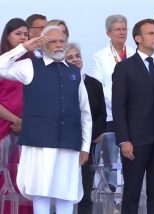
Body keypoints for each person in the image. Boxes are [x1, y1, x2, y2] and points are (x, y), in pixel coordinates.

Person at [0, 26, 92, 214]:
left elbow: (85, 112)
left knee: (66, 192)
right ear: (42, 45)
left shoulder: (74, 72)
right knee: (40, 191)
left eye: (61, 41)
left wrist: (85, 147)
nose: (58, 45)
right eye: (52, 41)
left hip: (69, 142)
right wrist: (25, 47)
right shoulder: (29, 67)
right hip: (39, 143)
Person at [112, 19, 154, 214]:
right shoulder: (125, 68)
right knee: (131, 193)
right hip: (135, 141)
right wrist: (123, 139)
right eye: (151, 33)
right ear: (138, 38)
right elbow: (119, 108)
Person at [90, 14, 135, 192]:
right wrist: (118, 102)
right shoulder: (99, 57)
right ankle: (112, 197)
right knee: (111, 162)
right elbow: (99, 87)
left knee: (131, 160)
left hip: (133, 116)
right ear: (109, 33)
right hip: (111, 116)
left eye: (124, 29)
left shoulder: (135, 53)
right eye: (118, 29)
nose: (122, 32)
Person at [65, 42, 107, 213]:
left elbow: (101, 116)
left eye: (77, 55)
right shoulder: (59, 84)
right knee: (61, 191)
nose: (75, 59)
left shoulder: (94, 84)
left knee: (85, 189)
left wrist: (88, 137)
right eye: (70, 57)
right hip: (64, 146)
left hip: (86, 147)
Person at [0, 17, 32, 214]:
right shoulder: (2, 64)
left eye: (26, 35)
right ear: (7, 36)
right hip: (4, 127)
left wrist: (25, 122)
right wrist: (15, 120)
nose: (22, 38)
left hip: (25, 130)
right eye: (17, 34)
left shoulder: (31, 64)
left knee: (22, 178)